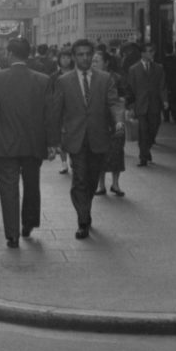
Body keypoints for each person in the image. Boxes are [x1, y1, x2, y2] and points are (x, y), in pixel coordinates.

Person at [47, 39, 124, 239]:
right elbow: (56, 112)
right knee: (80, 178)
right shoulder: (64, 82)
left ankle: (85, 207)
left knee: (91, 178)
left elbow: (114, 103)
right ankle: (83, 219)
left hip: (98, 136)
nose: (85, 58)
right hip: (75, 138)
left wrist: (118, 121)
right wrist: (53, 141)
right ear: (74, 57)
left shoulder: (105, 79)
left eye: (88, 54)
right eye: (80, 54)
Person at [0, 38, 54, 248]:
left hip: (5, 143)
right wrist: (49, 142)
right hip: (34, 143)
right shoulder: (43, 80)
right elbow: (48, 115)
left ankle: (12, 234)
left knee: (8, 189)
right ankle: (29, 223)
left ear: (10, 54)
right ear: (28, 55)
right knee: (32, 185)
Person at [124, 43, 166, 166]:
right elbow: (130, 89)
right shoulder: (134, 69)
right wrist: (131, 106)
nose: (151, 54)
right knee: (143, 131)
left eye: (153, 51)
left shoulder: (159, 68)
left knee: (153, 128)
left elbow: (162, 86)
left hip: (154, 104)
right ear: (142, 53)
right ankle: (143, 156)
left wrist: (165, 100)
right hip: (140, 104)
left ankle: (147, 149)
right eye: (149, 51)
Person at [93, 50, 126, 197]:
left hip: (115, 120)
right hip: (98, 120)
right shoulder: (90, 78)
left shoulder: (117, 78)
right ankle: (101, 184)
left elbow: (125, 95)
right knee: (99, 152)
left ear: (106, 62)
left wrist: (123, 107)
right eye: (93, 61)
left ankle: (115, 183)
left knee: (117, 151)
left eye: (97, 60)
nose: (94, 63)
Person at [51, 48, 75, 175]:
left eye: (68, 57)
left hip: (73, 109)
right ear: (59, 60)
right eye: (63, 58)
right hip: (59, 110)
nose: (65, 60)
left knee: (72, 135)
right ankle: (64, 163)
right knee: (61, 137)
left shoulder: (75, 74)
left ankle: (73, 160)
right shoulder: (54, 76)